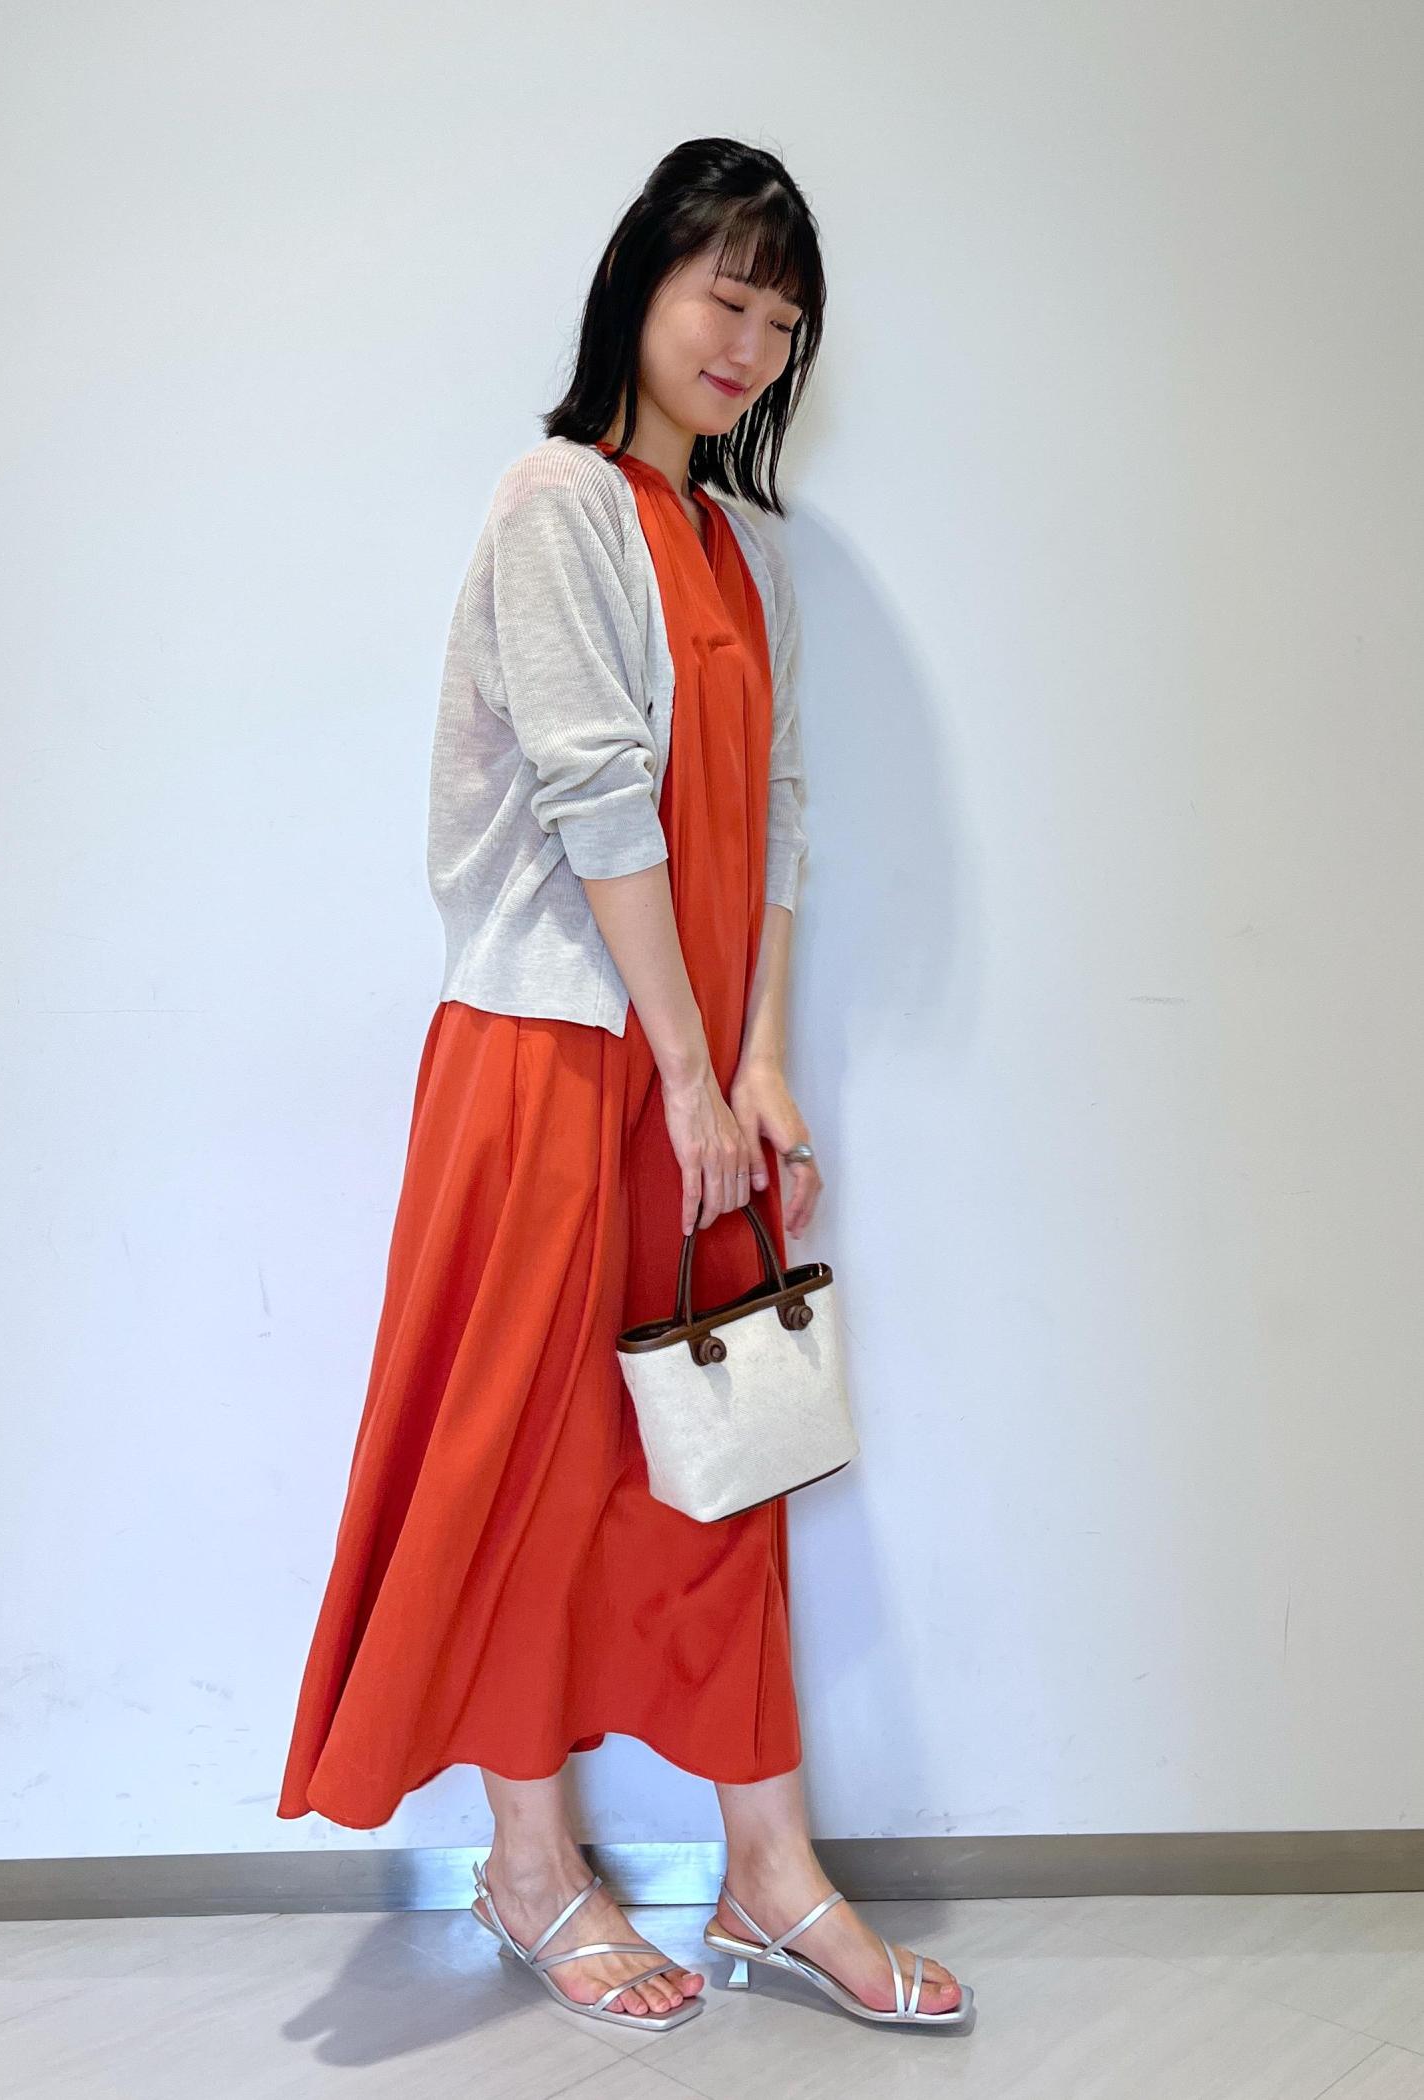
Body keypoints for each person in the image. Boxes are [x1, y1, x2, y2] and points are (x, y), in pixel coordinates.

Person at [277, 136, 971, 2035]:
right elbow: (597, 801)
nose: (750, 343)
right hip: (552, 1067)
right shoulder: (556, 505)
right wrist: (683, 1065)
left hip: (692, 1082)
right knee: (530, 1469)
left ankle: (771, 1872)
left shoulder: (744, 552)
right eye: (725, 296)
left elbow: (781, 818)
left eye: (783, 320)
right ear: (641, 285)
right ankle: (528, 1871)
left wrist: (758, 1068)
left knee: (721, 1459)